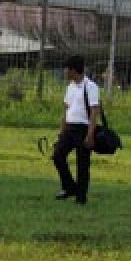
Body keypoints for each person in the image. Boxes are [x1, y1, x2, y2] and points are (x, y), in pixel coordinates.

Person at [52, 55, 99, 204]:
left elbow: (94, 112)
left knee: (82, 163)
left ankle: (81, 197)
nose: (65, 72)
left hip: (83, 128)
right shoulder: (70, 87)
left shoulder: (90, 86)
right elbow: (66, 110)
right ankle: (69, 187)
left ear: (73, 70)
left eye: (66, 69)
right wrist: (61, 132)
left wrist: (90, 135)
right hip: (70, 128)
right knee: (58, 156)